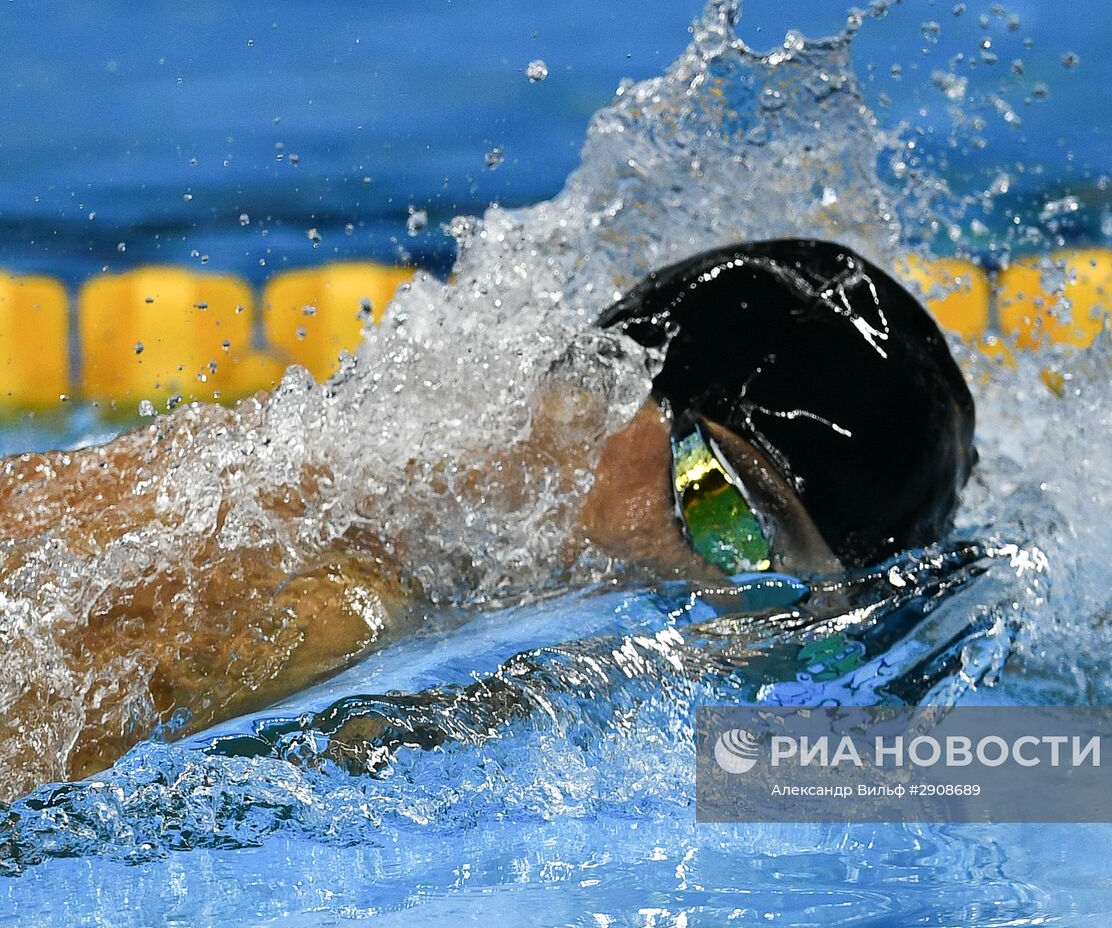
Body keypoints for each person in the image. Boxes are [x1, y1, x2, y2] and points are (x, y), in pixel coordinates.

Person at [0, 238, 975, 798]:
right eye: (722, 509)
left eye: (784, 591)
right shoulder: (342, 606)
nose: (718, 587)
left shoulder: (432, 521)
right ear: (610, 388)